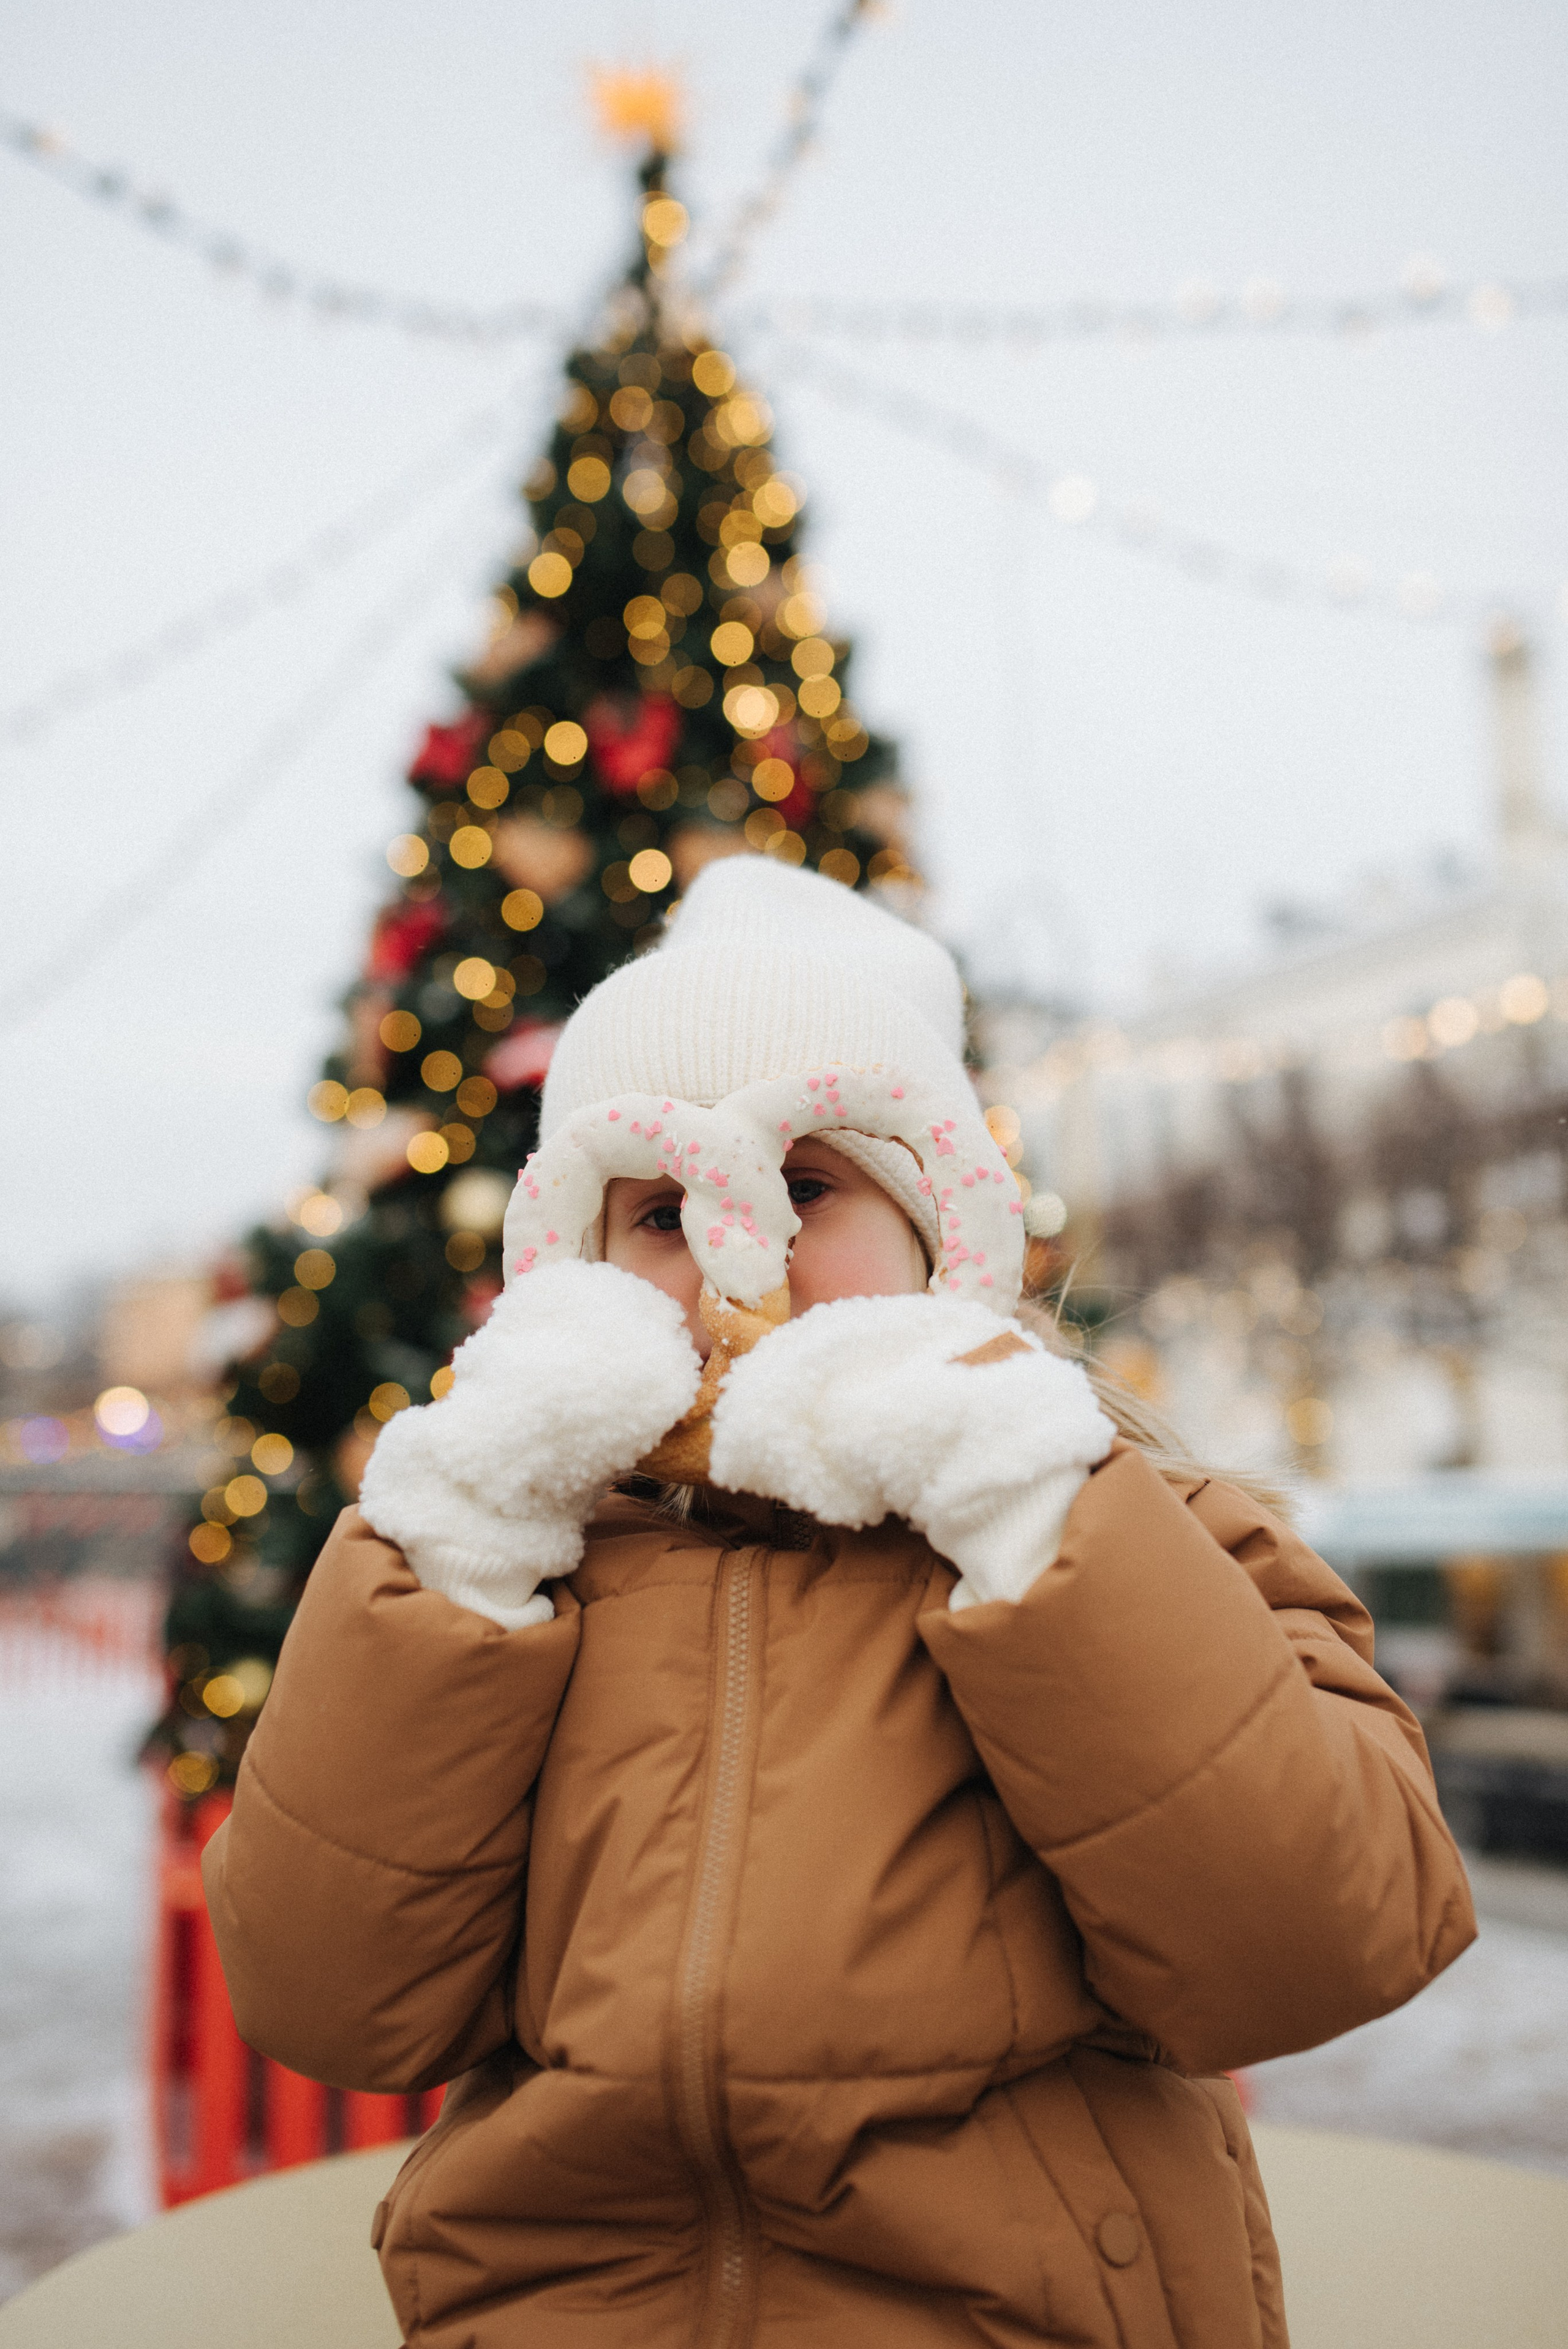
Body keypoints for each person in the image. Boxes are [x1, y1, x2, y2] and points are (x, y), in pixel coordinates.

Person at [204, 856, 1475, 2349]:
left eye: (805, 1186)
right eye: (659, 1212)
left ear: (944, 1226)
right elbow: (327, 2000)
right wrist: (464, 1540)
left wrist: (1019, 1499)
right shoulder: (505, 1573)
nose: (734, 1253)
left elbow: (1318, 1943)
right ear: (575, 1263)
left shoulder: (1138, 1527)